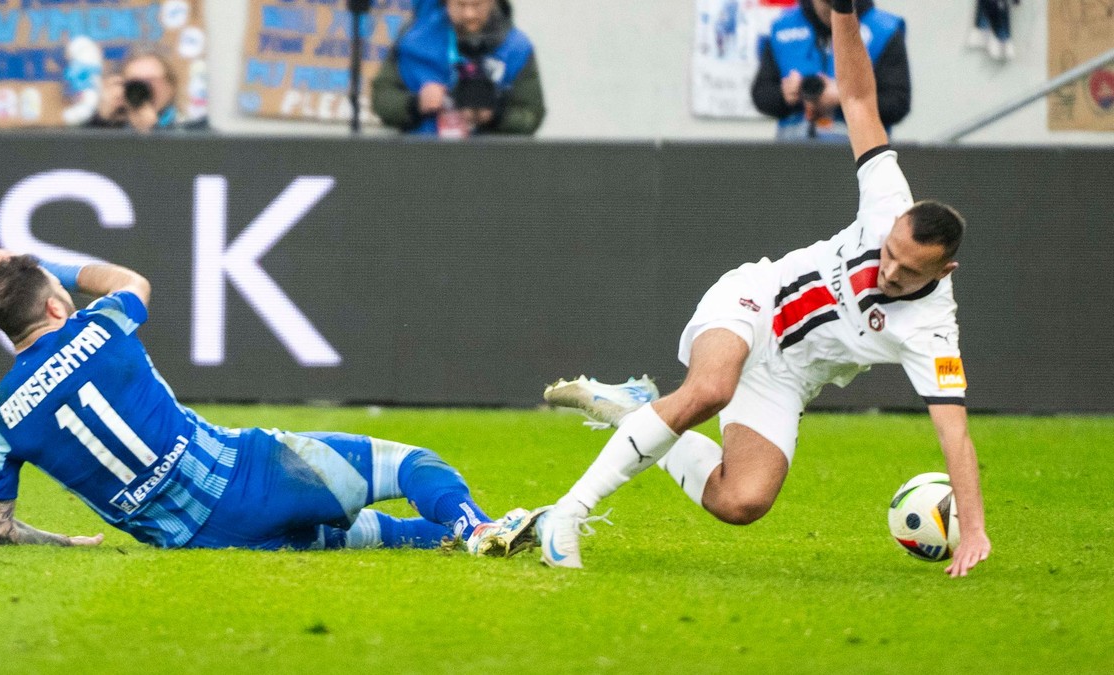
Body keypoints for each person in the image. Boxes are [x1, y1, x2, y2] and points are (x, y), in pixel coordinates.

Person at [535, 0, 991, 578]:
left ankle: (640, 412)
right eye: (889, 254)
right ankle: (567, 516)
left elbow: (954, 430)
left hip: (788, 378)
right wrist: (844, 15)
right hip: (756, 301)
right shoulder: (887, 200)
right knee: (710, 389)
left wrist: (973, 527)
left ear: (943, 274)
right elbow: (857, 99)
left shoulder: (933, 331)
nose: (889, 272)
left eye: (909, 273)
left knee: (742, 501)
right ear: (894, 227)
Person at [0, 250, 541, 555]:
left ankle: (470, 536)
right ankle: (480, 529)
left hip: (205, 543)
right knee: (412, 466)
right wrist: (49, 263)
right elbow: (129, 279)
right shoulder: (103, 324)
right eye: (60, 294)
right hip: (251, 477)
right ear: (54, 309)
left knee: (383, 536)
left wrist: (64, 542)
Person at [371, 0, 545, 137]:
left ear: (493, 2)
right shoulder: (413, 40)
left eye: (477, 5)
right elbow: (381, 98)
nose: (469, 14)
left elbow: (532, 116)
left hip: (488, 166)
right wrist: (416, 104)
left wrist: (494, 116)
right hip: (421, 159)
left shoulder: (517, 49)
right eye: (460, 4)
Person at [751, 0, 909, 142]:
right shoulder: (782, 27)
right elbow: (761, 94)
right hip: (794, 156)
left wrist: (846, 97)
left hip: (860, 155)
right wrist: (785, 95)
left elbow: (897, 103)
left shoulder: (884, 30)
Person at [86, 45, 209, 133]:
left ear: (171, 87)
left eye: (151, 81)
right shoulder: (115, 128)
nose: (143, 88)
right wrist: (101, 120)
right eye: (135, 82)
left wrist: (153, 131)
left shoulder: (193, 127)